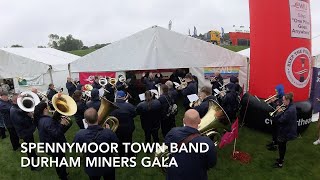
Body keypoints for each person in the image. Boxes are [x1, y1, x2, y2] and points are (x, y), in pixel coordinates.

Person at [165, 109, 217, 180]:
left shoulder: (173, 132)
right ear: (199, 121)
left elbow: (167, 144)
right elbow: (212, 163)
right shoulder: (207, 142)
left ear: (183, 120)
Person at [74, 108, 119, 180]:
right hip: (108, 165)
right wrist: (108, 131)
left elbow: (76, 147)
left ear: (85, 121)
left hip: (91, 166)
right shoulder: (109, 132)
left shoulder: (80, 134)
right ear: (98, 118)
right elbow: (116, 145)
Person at [34, 101, 69, 180]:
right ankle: (63, 176)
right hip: (55, 147)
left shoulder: (40, 118)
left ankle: (62, 174)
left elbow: (50, 130)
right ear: (45, 109)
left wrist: (57, 118)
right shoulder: (47, 121)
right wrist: (62, 124)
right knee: (60, 162)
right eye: (47, 107)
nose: (49, 108)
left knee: (58, 161)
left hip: (49, 145)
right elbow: (56, 133)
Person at [10, 93, 40, 171]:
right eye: (19, 99)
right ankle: (33, 166)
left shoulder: (17, 108)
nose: (21, 100)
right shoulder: (14, 110)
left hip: (27, 131)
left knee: (31, 144)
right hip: (24, 132)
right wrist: (30, 117)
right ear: (14, 100)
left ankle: (34, 156)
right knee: (29, 148)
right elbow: (22, 121)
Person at [272, 92, 297, 168]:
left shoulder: (290, 110)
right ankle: (281, 159)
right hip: (287, 129)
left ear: (288, 100)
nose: (282, 102)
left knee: (281, 146)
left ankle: (280, 163)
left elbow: (281, 120)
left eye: (283, 100)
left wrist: (278, 113)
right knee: (282, 146)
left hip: (286, 131)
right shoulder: (291, 106)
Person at [110, 91, 136, 157]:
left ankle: (120, 155)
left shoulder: (112, 105)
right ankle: (130, 155)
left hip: (117, 128)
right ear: (124, 97)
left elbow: (110, 116)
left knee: (119, 141)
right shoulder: (129, 106)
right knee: (128, 140)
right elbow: (134, 114)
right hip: (128, 128)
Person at [266, 84, 285, 150]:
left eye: (277, 92)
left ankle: (276, 145)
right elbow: (274, 107)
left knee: (277, 132)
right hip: (275, 117)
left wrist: (273, 101)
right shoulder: (278, 98)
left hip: (279, 118)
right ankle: (273, 142)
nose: (276, 93)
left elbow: (278, 108)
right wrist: (271, 102)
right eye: (275, 91)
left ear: (280, 91)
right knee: (273, 131)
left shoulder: (283, 98)